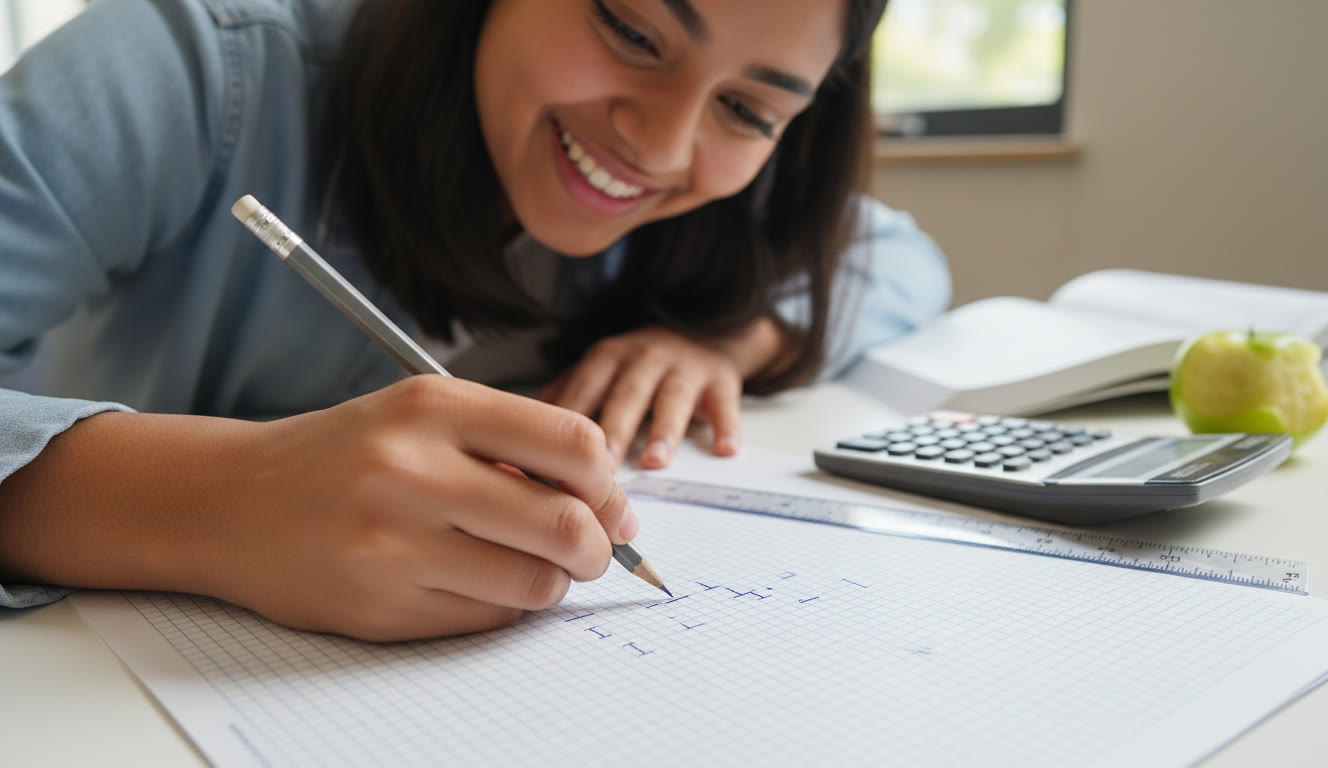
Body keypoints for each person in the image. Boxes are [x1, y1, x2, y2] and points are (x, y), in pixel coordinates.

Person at [0, 0, 950, 641]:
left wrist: (721, 340)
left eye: (748, 108)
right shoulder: (202, 61)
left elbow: (900, 260)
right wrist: (214, 504)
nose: (661, 144)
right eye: (631, 28)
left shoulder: (726, 190)